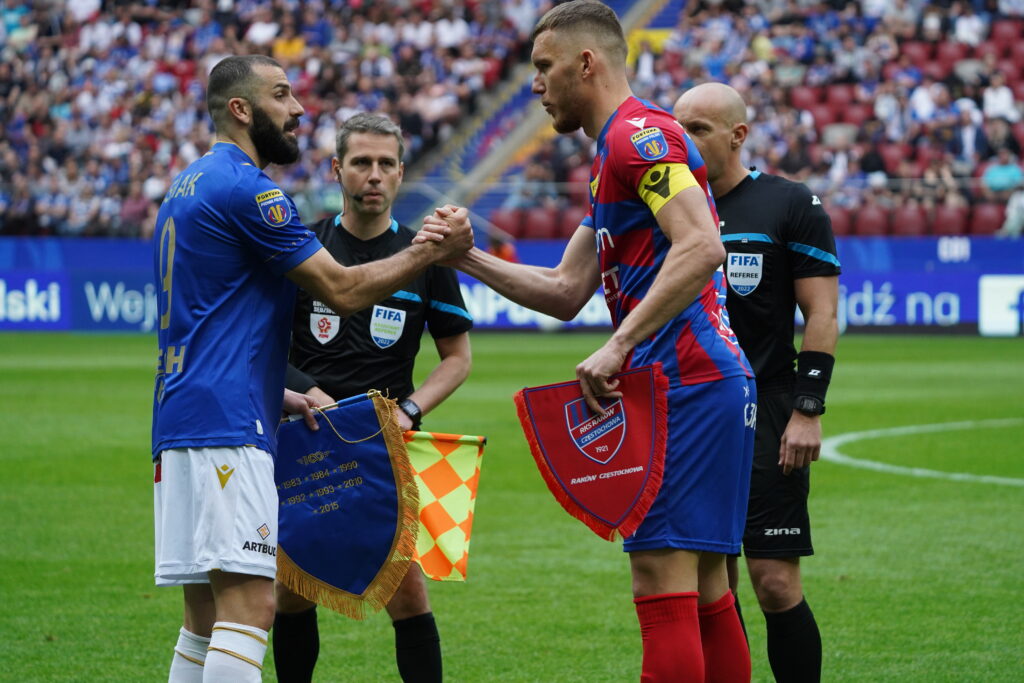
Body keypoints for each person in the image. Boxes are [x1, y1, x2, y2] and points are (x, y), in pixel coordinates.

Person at [420, 3, 755, 680]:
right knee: (710, 588)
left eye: (544, 67)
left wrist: (619, 343)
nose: (535, 84)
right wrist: (467, 257)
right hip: (700, 380)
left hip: (684, 380)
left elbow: (702, 246)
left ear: (586, 63)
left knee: (661, 581)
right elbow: (566, 289)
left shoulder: (637, 138)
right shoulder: (616, 155)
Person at [152, 55, 471, 683]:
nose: (298, 109)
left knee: (203, 617)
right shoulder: (250, 189)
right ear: (241, 109)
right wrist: (432, 249)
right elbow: (345, 291)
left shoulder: (184, 184)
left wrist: (286, 395)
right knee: (252, 609)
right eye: (282, 95)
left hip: (183, 419)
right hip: (230, 425)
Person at [273, 113, 473, 683]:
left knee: (407, 595)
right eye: (361, 162)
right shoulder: (303, 248)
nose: (374, 175)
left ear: (402, 173)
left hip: (385, 449)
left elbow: (457, 360)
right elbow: (262, 347)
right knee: (294, 593)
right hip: (304, 441)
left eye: (386, 164)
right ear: (338, 170)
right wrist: (306, 391)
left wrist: (410, 411)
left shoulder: (424, 258)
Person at [673, 82, 840, 683]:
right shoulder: (669, 208)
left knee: (774, 581)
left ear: (738, 135)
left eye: (699, 130)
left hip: (769, 406)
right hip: (694, 410)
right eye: (678, 128)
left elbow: (820, 314)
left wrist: (807, 409)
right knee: (709, 587)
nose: (683, 143)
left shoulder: (789, 203)